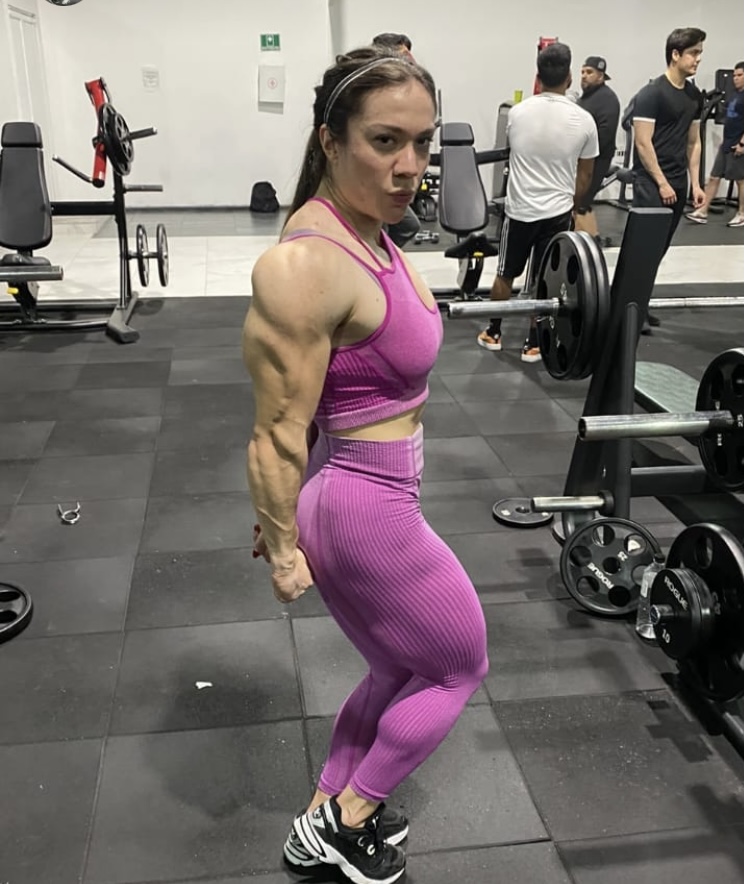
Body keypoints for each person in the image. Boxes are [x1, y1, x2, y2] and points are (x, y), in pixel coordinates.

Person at [243, 46, 488, 884]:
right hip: (362, 504)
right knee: (458, 665)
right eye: (386, 141)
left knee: (397, 666)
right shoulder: (308, 264)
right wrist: (282, 543)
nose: (410, 166)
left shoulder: (365, 232)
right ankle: (349, 820)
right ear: (331, 140)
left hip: (363, 493)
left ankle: (322, 815)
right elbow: (278, 430)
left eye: (422, 143)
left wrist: (286, 514)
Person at [477, 42, 598, 362]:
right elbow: (585, 175)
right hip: (557, 212)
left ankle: (493, 332)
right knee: (545, 279)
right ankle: (534, 342)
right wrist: (573, 203)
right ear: (569, 77)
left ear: (538, 77)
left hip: (520, 211)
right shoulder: (585, 120)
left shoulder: (517, 113)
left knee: (506, 273)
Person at [631, 27, 706, 330]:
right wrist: (661, 182)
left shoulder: (694, 96)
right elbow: (642, 143)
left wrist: (696, 184)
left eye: (700, 53)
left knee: (658, 251)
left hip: (677, 183)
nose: (698, 59)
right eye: (693, 53)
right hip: (651, 183)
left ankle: (640, 305)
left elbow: (693, 142)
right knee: (643, 250)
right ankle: (630, 310)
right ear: (675, 55)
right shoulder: (652, 93)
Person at [371, 33, 422, 248]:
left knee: (408, 225)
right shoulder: (369, 95)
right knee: (377, 229)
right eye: (404, 57)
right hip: (372, 182)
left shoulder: (402, 95)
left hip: (389, 181)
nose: (410, 63)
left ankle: (383, 256)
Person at [686, 61, 744, 227]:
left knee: (740, 180)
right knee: (714, 177)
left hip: (738, 144)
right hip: (727, 143)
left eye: (740, 75)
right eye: (734, 75)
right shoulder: (735, 95)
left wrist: (742, 144)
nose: (735, 78)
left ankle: (742, 213)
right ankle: (702, 211)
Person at [575, 56, 621, 241]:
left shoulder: (607, 99)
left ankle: (587, 243)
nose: (584, 76)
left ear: (601, 76)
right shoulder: (586, 97)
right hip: (582, 158)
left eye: (589, 72)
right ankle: (593, 238)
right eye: (582, 72)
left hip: (596, 160)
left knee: (579, 202)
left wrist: (583, 154)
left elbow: (605, 135)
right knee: (581, 203)